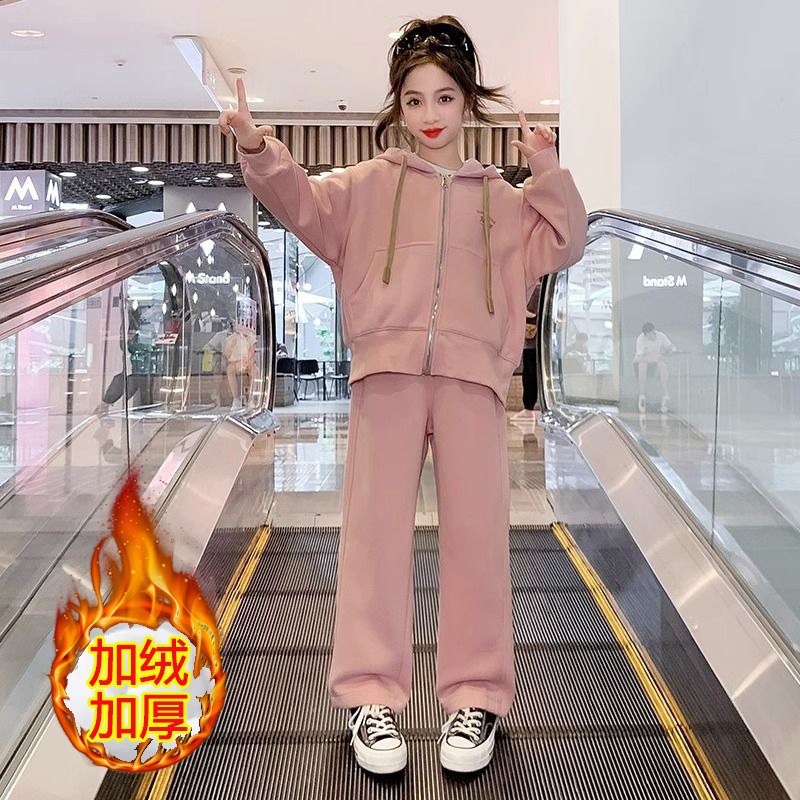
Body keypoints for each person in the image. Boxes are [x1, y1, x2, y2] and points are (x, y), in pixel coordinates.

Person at [220, 15, 587, 776]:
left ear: (467, 102)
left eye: (444, 97)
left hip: (472, 382)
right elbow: (301, 204)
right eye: (414, 99)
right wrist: (257, 147)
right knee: (373, 537)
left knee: (478, 539)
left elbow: (566, 242)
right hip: (386, 375)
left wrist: (546, 167)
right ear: (398, 105)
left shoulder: (505, 201)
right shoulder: (365, 186)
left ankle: (475, 698)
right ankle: (370, 697)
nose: (430, 115)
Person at [634, 322, 675, 413]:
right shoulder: (641, 339)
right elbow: (640, 357)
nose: (652, 337)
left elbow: (671, 347)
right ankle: (642, 395)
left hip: (656, 361)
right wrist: (653, 358)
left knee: (662, 366)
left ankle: (666, 395)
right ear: (645, 335)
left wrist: (666, 352)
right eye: (649, 336)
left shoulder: (661, 336)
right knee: (642, 366)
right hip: (644, 361)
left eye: (653, 334)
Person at [513, 280, 540, 419]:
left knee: (530, 373)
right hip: (533, 342)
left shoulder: (536, 290)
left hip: (532, 342)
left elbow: (531, 313)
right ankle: (529, 406)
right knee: (530, 372)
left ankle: (529, 407)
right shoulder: (535, 289)